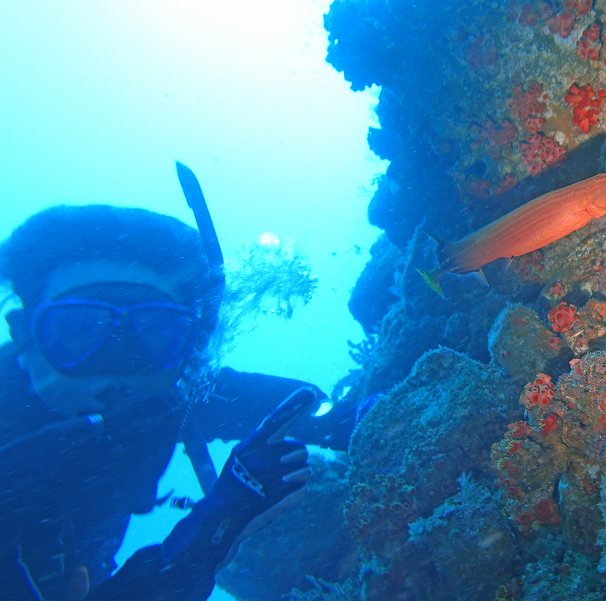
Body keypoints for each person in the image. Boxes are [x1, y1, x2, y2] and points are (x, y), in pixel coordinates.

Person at [0, 166, 354, 600]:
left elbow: (312, 411)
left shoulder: (171, 399)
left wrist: (364, 415)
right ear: (24, 337)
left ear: (189, 347)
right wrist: (202, 539)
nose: (117, 369)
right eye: (78, 332)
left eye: (155, 334)